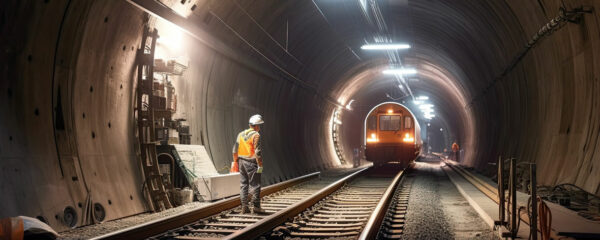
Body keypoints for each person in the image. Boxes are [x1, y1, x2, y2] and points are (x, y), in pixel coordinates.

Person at [232, 114, 265, 214]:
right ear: (255, 126)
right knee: (255, 185)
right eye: (259, 125)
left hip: (241, 161)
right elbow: (257, 152)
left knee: (243, 185)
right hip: (251, 162)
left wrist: (235, 161)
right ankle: (256, 207)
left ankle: (244, 207)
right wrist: (260, 165)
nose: (259, 128)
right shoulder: (256, 135)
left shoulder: (240, 134)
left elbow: (234, 149)